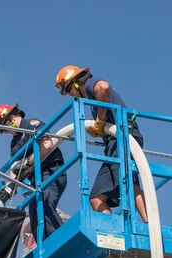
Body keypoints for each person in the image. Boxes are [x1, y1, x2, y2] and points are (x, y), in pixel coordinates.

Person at [54, 65, 148, 222]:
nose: (71, 95)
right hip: (121, 140)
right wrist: (101, 127)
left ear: (76, 84)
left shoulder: (90, 85)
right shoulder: (92, 98)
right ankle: (147, 226)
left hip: (121, 139)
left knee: (98, 197)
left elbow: (104, 88)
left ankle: (134, 230)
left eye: (69, 90)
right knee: (126, 186)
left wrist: (100, 119)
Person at [0, 103, 67, 240]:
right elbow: (15, 168)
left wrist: (28, 162)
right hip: (35, 181)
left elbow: (48, 144)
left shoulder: (31, 125)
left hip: (51, 172)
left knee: (44, 203)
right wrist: (9, 187)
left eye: (4, 128)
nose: (5, 132)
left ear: (12, 118)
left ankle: (60, 241)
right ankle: (44, 248)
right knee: (35, 216)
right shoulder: (14, 144)